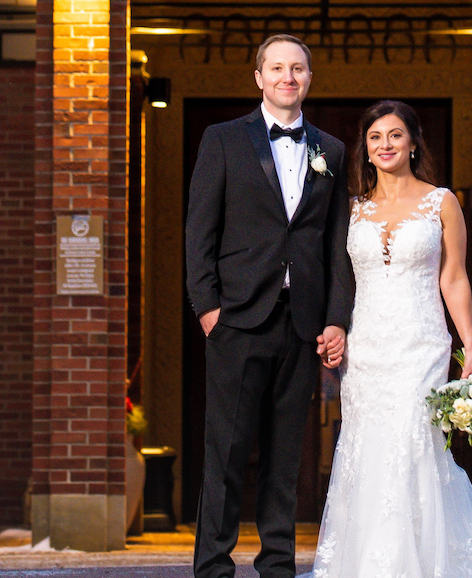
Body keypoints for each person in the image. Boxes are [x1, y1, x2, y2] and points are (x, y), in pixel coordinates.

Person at [311, 99, 472, 578]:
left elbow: (455, 278)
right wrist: (334, 326)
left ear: (413, 142)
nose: (385, 145)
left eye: (395, 135)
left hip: (421, 341)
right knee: (369, 447)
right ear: (365, 147)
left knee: (412, 444)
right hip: (366, 350)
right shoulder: (352, 209)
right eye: (376, 137)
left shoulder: (440, 201)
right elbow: (337, 277)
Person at [185, 34, 354, 578]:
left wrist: (334, 317)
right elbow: (198, 231)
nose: (288, 77)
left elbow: (335, 243)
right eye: (277, 68)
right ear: (259, 77)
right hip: (236, 318)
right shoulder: (223, 139)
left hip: (300, 322)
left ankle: (277, 565)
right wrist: (208, 307)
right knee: (228, 451)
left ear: (309, 78)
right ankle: (213, 565)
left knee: (285, 457)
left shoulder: (331, 149)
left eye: (298, 68)